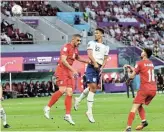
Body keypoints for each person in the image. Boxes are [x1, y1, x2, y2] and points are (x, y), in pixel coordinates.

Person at [43, 34, 89, 125]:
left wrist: (88, 61)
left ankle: (67, 115)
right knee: (63, 89)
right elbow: (63, 61)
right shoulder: (66, 47)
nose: (79, 42)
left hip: (68, 72)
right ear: (73, 39)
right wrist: (73, 70)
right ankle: (47, 107)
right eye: (78, 40)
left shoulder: (75, 49)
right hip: (62, 70)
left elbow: (78, 57)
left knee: (70, 92)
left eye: (80, 41)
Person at [74, 28, 110, 123]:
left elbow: (105, 58)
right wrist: (94, 63)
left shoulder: (106, 46)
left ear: (102, 34)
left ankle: (78, 99)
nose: (95, 34)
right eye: (95, 33)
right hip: (92, 66)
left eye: (97, 33)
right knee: (93, 87)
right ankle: (89, 112)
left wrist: (102, 67)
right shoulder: (91, 43)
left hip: (99, 67)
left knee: (92, 88)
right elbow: (89, 54)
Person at [124, 48, 157, 132]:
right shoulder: (151, 63)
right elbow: (141, 70)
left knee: (134, 107)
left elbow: (132, 76)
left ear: (145, 54)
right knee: (140, 105)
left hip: (145, 89)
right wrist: (131, 67)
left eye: (142, 51)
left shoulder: (139, 63)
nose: (141, 52)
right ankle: (144, 121)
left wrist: (127, 80)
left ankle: (128, 128)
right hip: (153, 89)